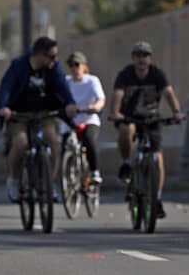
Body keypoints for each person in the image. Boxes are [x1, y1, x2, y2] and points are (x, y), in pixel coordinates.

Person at [0, 36, 76, 202]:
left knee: (52, 139)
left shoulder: (53, 68)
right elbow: (6, 87)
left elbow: (62, 85)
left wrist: (70, 104)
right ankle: (13, 180)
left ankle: (49, 184)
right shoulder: (18, 65)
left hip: (43, 112)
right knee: (21, 143)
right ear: (39, 55)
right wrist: (4, 107)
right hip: (19, 114)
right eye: (51, 56)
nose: (55, 60)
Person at [110, 41, 185, 218]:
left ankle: (156, 198)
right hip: (129, 117)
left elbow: (168, 93)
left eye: (145, 56)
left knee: (158, 158)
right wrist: (115, 112)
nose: (141, 59)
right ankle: (127, 163)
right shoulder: (126, 75)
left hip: (152, 119)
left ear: (150, 58)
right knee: (127, 130)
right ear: (133, 58)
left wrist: (176, 112)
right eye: (138, 56)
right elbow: (118, 95)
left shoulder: (157, 74)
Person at [64, 51, 106, 184]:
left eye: (76, 64)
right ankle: (67, 175)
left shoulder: (92, 80)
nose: (74, 68)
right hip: (71, 121)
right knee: (64, 146)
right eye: (71, 65)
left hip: (88, 118)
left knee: (89, 140)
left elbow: (100, 98)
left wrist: (96, 107)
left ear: (83, 65)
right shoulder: (66, 81)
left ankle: (95, 172)